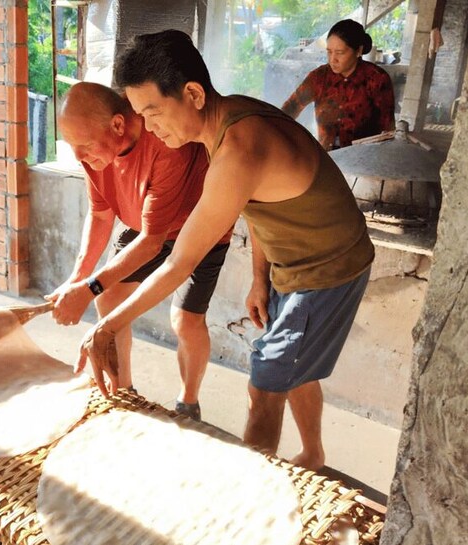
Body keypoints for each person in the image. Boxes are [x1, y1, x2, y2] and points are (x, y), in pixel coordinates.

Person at [76, 30, 373, 470]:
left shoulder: (237, 149)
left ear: (193, 93)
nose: (152, 128)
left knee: (265, 383)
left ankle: (248, 501)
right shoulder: (229, 116)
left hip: (328, 268)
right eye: (141, 115)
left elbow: (180, 262)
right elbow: (259, 210)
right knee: (295, 366)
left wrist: (108, 323)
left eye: (154, 112)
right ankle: (313, 454)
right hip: (293, 261)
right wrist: (259, 279)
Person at [46, 82, 231, 421]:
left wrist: (87, 289)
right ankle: (122, 391)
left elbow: (151, 242)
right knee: (108, 295)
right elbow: (101, 215)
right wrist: (78, 279)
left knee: (186, 321)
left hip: (198, 228)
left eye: (83, 145)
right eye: (73, 146)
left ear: (118, 125)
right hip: (142, 222)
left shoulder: (164, 143)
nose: (78, 157)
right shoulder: (92, 153)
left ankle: (188, 401)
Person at [281, 19, 395, 150]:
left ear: (358, 51)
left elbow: (387, 131)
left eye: (340, 53)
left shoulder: (377, 79)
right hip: (326, 157)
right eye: (329, 51)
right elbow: (291, 108)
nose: (332, 59)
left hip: (363, 159)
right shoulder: (319, 77)